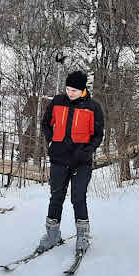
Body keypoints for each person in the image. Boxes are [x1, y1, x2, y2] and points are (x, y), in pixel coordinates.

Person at [37, 71, 104, 254]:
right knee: (56, 197)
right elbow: (45, 123)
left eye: (74, 90)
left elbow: (98, 135)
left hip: (81, 162)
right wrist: (51, 141)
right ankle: (52, 235)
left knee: (78, 197)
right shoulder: (58, 102)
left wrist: (86, 152)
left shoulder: (93, 107)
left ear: (83, 89)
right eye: (68, 89)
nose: (70, 93)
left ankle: (82, 236)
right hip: (59, 159)